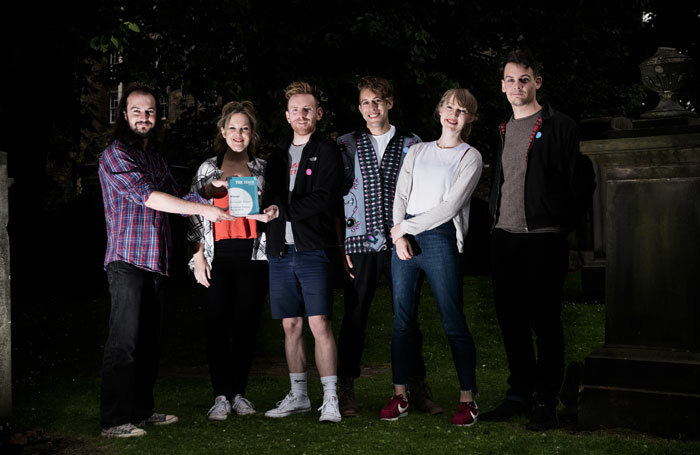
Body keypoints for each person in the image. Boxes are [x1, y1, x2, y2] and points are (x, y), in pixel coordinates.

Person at [98, 84, 234, 438]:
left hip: (155, 262)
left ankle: (142, 412)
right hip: (127, 261)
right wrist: (203, 208)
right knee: (124, 342)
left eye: (150, 112)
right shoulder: (115, 155)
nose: (144, 117)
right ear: (123, 115)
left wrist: (210, 191)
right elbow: (149, 197)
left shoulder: (155, 157)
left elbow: (176, 195)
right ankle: (114, 421)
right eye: (137, 111)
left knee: (148, 343)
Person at [481, 49, 596, 431]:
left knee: (545, 321)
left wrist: (566, 227)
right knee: (510, 319)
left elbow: (580, 182)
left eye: (524, 79)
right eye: (511, 80)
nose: (517, 86)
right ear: (502, 86)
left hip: (544, 238)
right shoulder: (502, 128)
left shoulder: (560, 125)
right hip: (504, 237)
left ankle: (545, 399)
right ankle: (519, 394)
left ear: (537, 82)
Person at [336, 76, 441, 417]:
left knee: (407, 315)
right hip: (359, 241)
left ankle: (417, 386)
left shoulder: (413, 143)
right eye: (366, 102)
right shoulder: (346, 144)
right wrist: (342, 247)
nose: (372, 108)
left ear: (390, 103)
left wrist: (412, 233)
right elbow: (336, 200)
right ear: (359, 106)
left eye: (378, 101)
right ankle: (346, 387)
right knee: (355, 316)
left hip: (401, 240)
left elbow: (424, 192)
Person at [379, 88, 483, 427]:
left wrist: (403, 227)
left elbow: (449, 206)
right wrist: (399, 234)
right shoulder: (418, 150)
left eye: (462, 111)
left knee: (452, 319)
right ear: (439, 111)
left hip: (439, 238)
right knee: (402, 321)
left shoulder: (470, 157)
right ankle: (400, 396)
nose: (454, 114)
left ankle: (467, 400)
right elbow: (400, 193)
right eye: (450, 107)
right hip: (405, 239)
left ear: (469, 119)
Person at [248, 81, 343, 423]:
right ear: (286, 116)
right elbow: (267, 196)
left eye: (308, 109)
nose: (301, 115)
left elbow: (324, 198)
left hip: (313, 247)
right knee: (291, 325)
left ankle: (330, 398)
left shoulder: (327, 150)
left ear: (317, 114)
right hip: (279, 250)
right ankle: (299, 396)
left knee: (319, 322)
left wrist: (280, 211)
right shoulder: (276, 155)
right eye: (295, 110)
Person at [187, 101, 268, 421]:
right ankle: (220, 395)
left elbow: (270, 211)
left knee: (247, 326)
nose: (239, 134)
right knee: (217, 326)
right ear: (223, 132)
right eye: (233, 128)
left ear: (252, 134)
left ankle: (239, 394)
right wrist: (197, 256)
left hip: (252, 256)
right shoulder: (208, 168)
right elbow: (192, 210)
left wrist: (271, 212)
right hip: (215, 256)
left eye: (245, 128)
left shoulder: (262, 168)